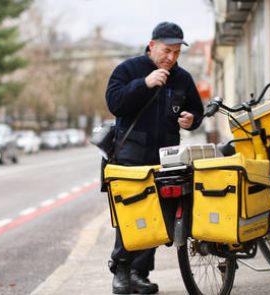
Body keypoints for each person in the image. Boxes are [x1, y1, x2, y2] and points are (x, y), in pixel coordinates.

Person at [105, 21, 204, 294]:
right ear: (152, 45)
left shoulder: (182, 78)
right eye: (166, 51)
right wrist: (144, 84)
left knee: (160, 217)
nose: (171, 58)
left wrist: (192, 119)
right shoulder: (128, 70)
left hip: (167, 159)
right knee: (133, 213)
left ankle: (140, 272)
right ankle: (121, 270)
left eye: (176, 52)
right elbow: (114, 103)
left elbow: (197, 109)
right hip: (131, 157)